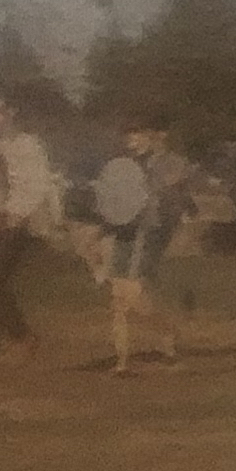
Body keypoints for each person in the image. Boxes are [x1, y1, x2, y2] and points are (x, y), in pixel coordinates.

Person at [0, 95, 61, 366]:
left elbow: (38, 184)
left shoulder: (27, 144)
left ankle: (23, 337)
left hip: (22, 221)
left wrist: (17, 212)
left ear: (11, 113)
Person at [91, 117, 186, 375]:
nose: (131, 140)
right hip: (124, 233)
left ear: (153, 135)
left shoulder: (168, 162)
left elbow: (169, 192)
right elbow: (113, 201)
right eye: (129, 135)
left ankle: (163, 336)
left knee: (128, 297)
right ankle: (125, 359)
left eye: (137, 134)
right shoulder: (122, 166)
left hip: (146, 234)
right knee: (121, 298)